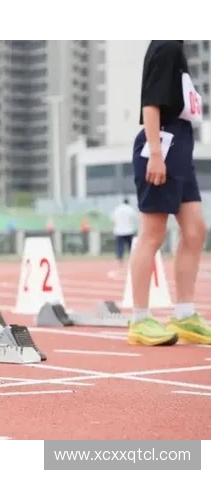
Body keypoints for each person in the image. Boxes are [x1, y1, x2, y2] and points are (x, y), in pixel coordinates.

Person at [128, 40, 210, 346]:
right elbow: (150, 103)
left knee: (195, 231)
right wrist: (156, 154)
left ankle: (185, 314)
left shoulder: (175, 46)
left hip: (180, 150)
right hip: (163, 147)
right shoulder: (166, 46)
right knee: (152, 233)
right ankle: (139, 319)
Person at [111, 198, 138, 264]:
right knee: (130, 246)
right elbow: (135, 219)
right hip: (129, 230)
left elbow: (113, 219)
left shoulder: (117, 209)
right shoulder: (131, 209)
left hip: (119, 230)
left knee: (120, 245)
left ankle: (120, 258)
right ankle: (132, 258)